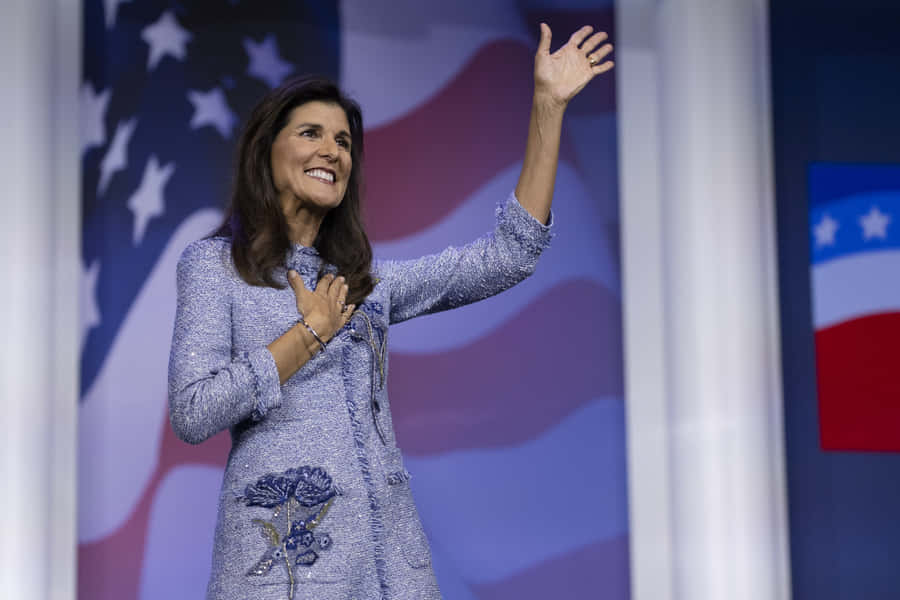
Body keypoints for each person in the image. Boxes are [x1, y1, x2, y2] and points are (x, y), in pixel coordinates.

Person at [168, 23, 613, 600]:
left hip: (390, 570)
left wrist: (548, 107)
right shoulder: (215, 266)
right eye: (310, 133)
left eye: (344, 141)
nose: (332, 150)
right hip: (287, 570)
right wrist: (306, 336)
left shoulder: (364, 285)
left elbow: (507, 256)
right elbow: (193, 411)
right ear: (266, 151)